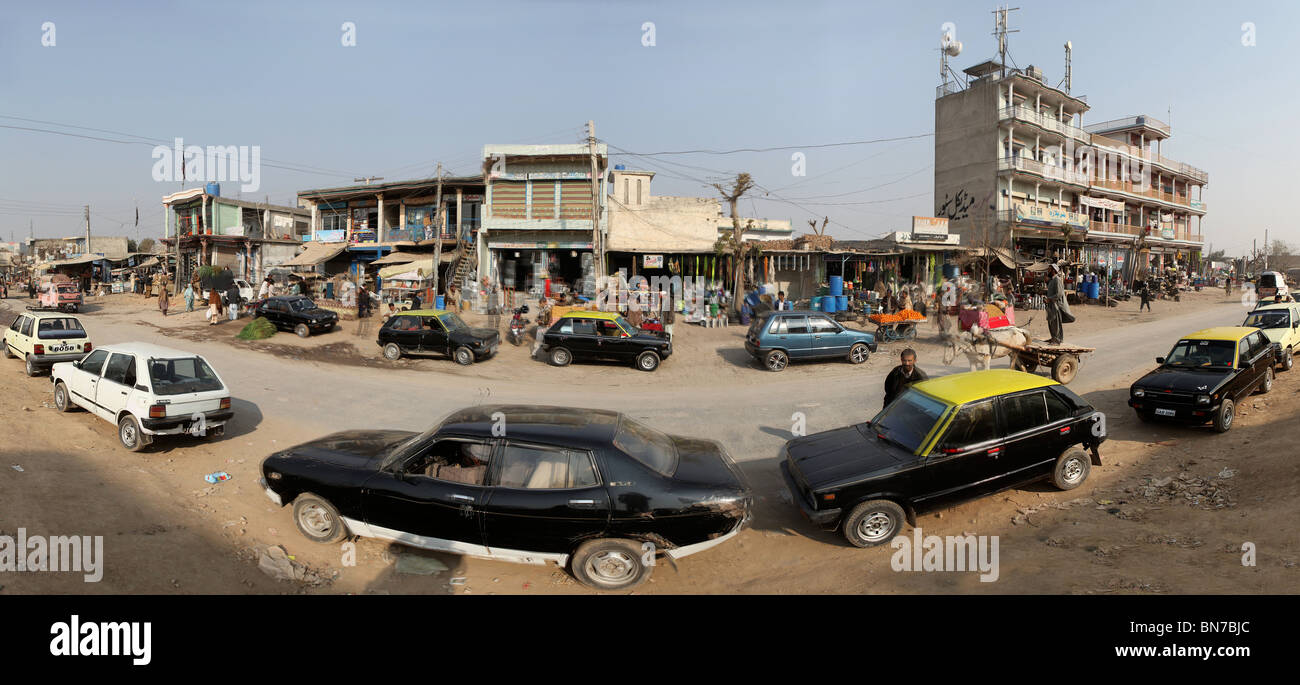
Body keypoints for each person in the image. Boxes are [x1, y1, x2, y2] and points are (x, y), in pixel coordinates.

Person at [1044, 263, 1073, 343]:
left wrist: (1049, 299)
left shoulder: (1057, 280)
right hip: (1051, 305)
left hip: (1056, 305)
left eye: (1049, 269)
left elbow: (1059, 294)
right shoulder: (1052, 280)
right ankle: (1053, 337)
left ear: (1054, 270)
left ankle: (1058, 339)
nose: (1048, 271)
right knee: (1051, 322)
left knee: (1056, 323)